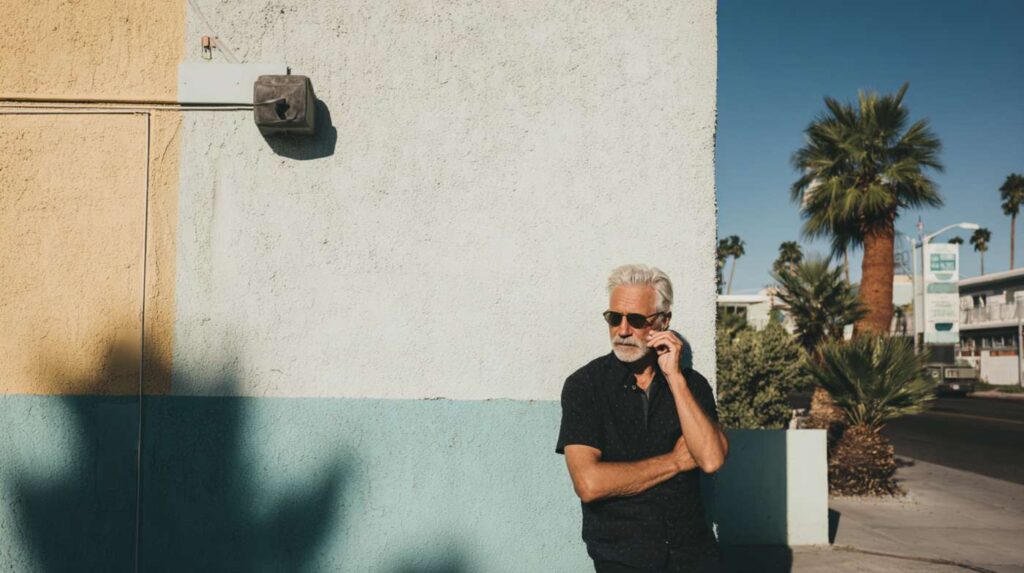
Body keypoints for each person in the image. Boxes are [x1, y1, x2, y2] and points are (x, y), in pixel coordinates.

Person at [556, 264, 729, 572]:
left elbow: (712, 459)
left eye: (635, 320)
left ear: (663, 322)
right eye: (614, 318)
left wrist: (674, 377)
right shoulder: (585, 386)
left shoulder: (692, 385)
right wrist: (674, 462)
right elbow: (589, 483)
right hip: (624, 559)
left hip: (695, 556)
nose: (622, 330)